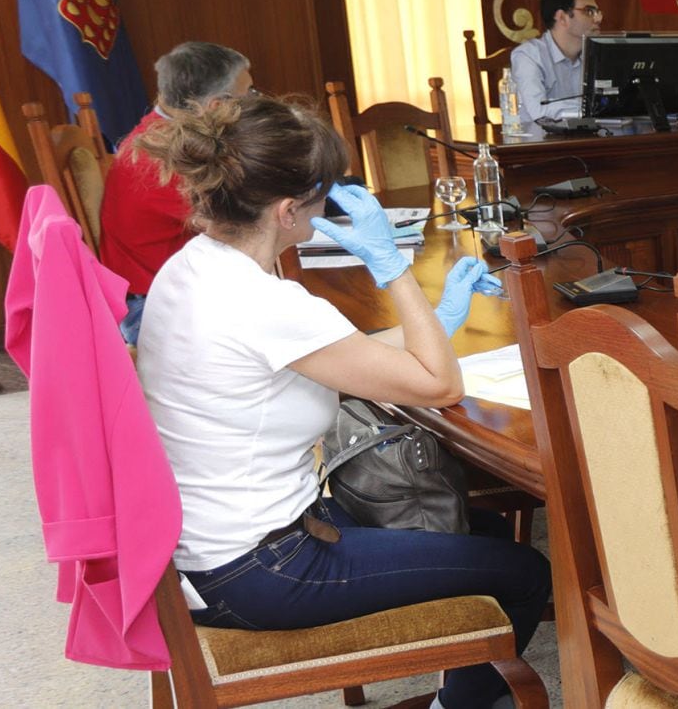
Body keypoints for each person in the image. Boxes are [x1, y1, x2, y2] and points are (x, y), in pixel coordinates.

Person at [133, 95, 551, 709]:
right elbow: (441, 386)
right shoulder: (266, 303)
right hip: (260, 571)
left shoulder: (194, 268)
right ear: (286, 210)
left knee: (474, 525)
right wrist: (393, 270)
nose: (330, 202)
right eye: (322, 192)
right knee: (525, 572)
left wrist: (434, 320)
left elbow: (332, 352)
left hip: (213, 549)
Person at [100, 41, 253, 343]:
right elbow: (239, 223)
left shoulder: (163, 133)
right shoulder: (167, 157)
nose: (252, 105)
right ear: (217, 106)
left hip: (173, 291)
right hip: (156, 311)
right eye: (248, 96)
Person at [510, 0, 602, 125]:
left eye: (597, 12)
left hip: (586, 139)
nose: (598, 19)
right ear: (562, 17)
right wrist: (594, 109)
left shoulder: (595, 55)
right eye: (589, 11)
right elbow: (539, 111)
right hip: (539, 142)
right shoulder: (528, 56)